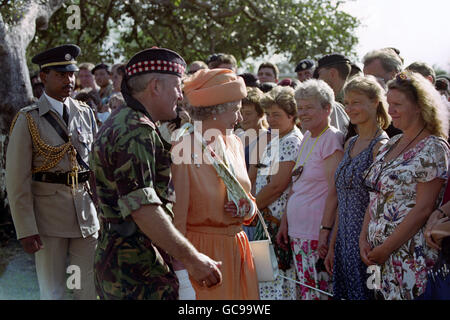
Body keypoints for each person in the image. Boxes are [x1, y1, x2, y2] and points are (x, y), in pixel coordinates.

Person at [90, 47, 222, 300]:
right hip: (137, 272)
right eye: (177, 87)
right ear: (155, 87)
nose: (181, 96)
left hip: (121, 264)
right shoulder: (136, 130)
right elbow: (143, 207)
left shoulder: (122, 120)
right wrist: (192, 259)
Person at [6, 44, 99, 300]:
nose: (69, 80)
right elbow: (17, 181)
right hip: (48, 219)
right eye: (61, 74)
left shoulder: (85, 113)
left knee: (86, 290)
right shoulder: (29, 119)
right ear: (44, 77)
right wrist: (26, 228)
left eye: (71, 74)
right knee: (53, 292)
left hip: (85, 215)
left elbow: (93, 167)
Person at [359, 70, 450, 300]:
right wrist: (364, 238)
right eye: (389, 104)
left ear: (420, 106)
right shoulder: (392, 143)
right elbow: (375, 195)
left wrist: (386, 248)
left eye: (398, 104)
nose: (391, 111)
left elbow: (423, 209)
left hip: (409, 257)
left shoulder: (434, 148)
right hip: (376, 256)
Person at [171, 68, 259, 300]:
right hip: (204, 256)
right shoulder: (184, 148)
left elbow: (249, 199)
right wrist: (182, 273)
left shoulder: (235, 143)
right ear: (214, 112)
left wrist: (247, 208)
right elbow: (177, 219)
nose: (239, 119)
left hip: (239, 249)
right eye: (235, 111)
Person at [324, 75, 390, 300]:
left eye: (357, 102)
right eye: (347, 102)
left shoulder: (381, 145)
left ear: (375, 102)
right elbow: (342, 198)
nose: (350, 108)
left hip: (367, 243)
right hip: (343, 240)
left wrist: (363, 240)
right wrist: (333, 244)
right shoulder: (350, 142)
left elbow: (378, 200)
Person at [277, 79, 344, 300]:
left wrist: (325, 230)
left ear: (327, 109)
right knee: (306, 293)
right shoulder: (307, 136)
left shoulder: (331, 139)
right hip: (298, 232)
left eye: (309, 107)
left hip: (316, 234)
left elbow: (334, 191)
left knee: (319, 294)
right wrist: (285, 222)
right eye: (301, 107)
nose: (303, 113)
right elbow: (297, 184)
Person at [249, 85, 303, 300]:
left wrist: (251, 209)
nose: (271, 120)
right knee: (266, 278)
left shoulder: (291, 141)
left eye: (277, 115)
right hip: (264, 219)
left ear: (292, 115)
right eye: (269, 115)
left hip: (276, 220)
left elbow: (277, 186)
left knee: (279, 278)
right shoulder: (276, 139)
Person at [314, 54, 351, 135]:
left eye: (320, 74)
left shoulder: (330, 105)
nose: (318, 79)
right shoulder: (348, 101)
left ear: (332, 73)